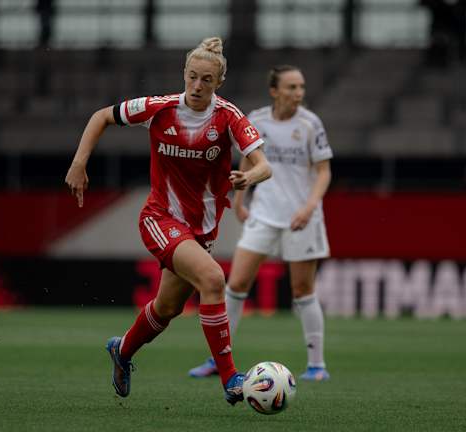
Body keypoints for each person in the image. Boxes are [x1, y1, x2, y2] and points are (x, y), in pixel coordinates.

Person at [65, 37, 271, 405]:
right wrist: (80, 163)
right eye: (192, 77)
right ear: (184, 74)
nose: (196, 86)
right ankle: (230, 379)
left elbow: (264, 166)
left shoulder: (228, 116)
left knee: (167, 308)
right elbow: (102, 116)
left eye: (206, 80)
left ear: (218, 82)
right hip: (160, 217)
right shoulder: (159, 108)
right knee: (213, 278)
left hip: (201, 229)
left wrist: (249, 178)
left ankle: (122, 351)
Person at [187, 65, 333, 382]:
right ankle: (217, 359)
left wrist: (310, 207)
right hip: (263, 214)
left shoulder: (310, 124)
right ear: (274, 91)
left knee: (302, 290)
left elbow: (323, 171)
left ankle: (317, 365)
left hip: (301, 217)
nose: (299, 93)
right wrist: (241, 200)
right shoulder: (257, 119)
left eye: (301, 87)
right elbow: (248, 158)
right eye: (292, 87)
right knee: (236, 285)